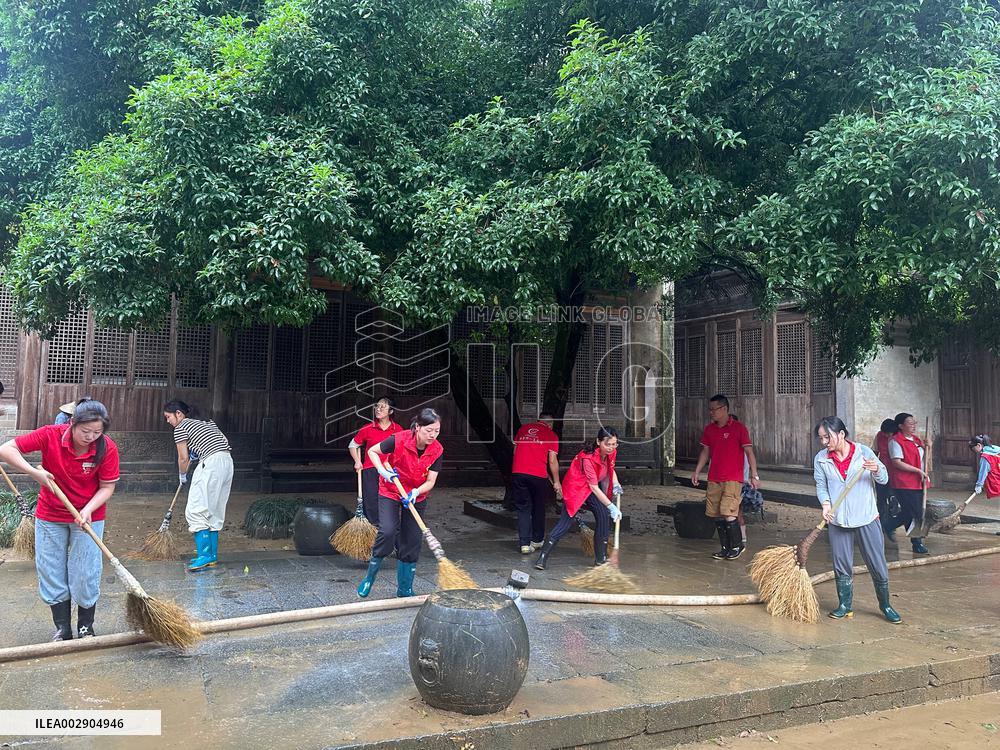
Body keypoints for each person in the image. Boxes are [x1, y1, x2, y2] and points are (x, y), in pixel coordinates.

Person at [0, 400, 119, 640]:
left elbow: (107, 487)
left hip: (88, 516)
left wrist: (87, 510)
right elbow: (6, 449)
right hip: (50, 514)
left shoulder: (106, 448)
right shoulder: (50, 435)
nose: (91, 437)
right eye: (86, 431)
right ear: (72, 424)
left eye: (97, 432)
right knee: (51, 569)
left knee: (86, 571)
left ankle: (86, 626)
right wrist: (35, 472)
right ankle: (62, 628)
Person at [814, 416, 901, 624]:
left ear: (841, 434)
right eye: (821, 438)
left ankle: (885, 605)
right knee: (841, 565)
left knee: (877, 564)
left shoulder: (864, 453)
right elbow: (821, 485)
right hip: (838, 519)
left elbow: (884, 478)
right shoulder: (821, 458)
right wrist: (826, 505)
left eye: (828, 437)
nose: (824, 442)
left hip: (866, 517)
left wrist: (877, 469)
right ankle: (845, 605)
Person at [358, 407, 443, 598]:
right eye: (428, 430)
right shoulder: (400, 439)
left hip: (415, 496)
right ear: (418, 427)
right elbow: (372, 451)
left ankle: (405, 588)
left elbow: (430, 481)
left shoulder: (437, 450)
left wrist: (415, 492)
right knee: (387, 531)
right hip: (390, 490)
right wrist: (382, 470)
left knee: (412, 540)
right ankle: (369, 578)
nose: (432, 435)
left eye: (436, 431)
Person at [534, 426, 622, 570]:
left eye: (614, 444)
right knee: (565, 524)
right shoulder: (588, 458)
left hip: (590, 489)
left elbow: (610, 469)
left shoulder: (610, 452)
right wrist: (611, 506)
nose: (611, 447)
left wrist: (616, 483)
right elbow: (594, 486)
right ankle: (542, 558)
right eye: (608, 444)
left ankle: (601, 559)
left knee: (603, 516)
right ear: (598, 442)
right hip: (576, 488)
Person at [163, 400, 233, 571]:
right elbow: (223, 441)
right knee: (215, 509)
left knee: (195, 509)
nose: (168, 421)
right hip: (227, 462)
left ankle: (203, 556)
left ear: (179, 414)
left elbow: (183, 458)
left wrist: (182, 475)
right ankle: (212, 556)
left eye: (168, 417)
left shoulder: (180, 428)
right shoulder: (208, 423)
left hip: (210, 462)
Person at [691, 394, 760, 560]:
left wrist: (754, 475)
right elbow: (706, 452)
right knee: (716, 513)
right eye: (710, 410)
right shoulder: (709, 429)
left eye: (714, 409)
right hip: (714, 477)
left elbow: (749, 452)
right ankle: (725, 548)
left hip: (733, 478)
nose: (711, 413)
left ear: (724, 409)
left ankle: (737, 545)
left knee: (728, 511)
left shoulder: (739, 428)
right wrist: (697, 471)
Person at [511, 413, 562, 554]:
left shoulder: (523, 429)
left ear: (538, 420)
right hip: (538, 476)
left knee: (523, 509)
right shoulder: (551, 434)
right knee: (538, 507)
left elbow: (515, 452)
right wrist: (557, 481)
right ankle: (537, 540)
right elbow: (552, 461)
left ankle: (524, 544)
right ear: (550, 423)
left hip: (518, 473)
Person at [348, 398, 404, 525]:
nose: (378, 409)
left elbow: (403, 449)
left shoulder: (399, 430)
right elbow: (353, 445)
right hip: (370, 469)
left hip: (390, 471)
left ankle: (390, 531)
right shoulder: (367, 428)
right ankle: (372, 532)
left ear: (391, 411)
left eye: (382, 407)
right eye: (377, 406)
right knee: (371, 502)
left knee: (391, 500)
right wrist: (357, 461)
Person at [885, 412, 930, 555]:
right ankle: (916, 543)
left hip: (918, 482)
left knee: (908, 512)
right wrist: (917, 471)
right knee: (914, 512)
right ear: (901, 426)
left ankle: (886, 525)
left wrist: (930, 446)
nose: (914, 425)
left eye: (914, 423)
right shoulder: (895, 441)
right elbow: (896, 462)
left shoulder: (917, 440)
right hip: (903, 483)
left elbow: (925, 459)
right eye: (910, 423)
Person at [872, 418, 899, 533]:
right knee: (881, 498)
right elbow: (874, 452)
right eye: (884, 433)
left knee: (893, 498)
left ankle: (891, 523)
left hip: (896, 473)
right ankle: (881, 523)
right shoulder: (879, 436)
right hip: (882, 472)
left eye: (888, 433)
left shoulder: (899, 438)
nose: (886, 435)